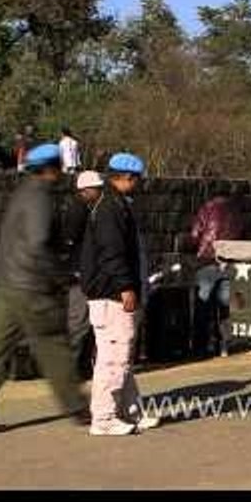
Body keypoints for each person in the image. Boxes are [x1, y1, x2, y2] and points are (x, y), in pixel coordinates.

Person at [0, 143, 89, 436]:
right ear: (51, 168)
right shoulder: (40, 197)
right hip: (31, 287)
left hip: (7, 284)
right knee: (53, 344)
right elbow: (38, 242)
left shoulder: (21, 193)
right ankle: (78, 407)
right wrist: (60, 275)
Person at [80, 152, 159, 435]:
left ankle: (129, 412)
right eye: (137, 179)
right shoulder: (112, 208)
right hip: (112, 294)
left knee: (120, 355)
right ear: (126, 177)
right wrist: (126, 286)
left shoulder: (112, 204)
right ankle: (103, 418)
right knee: (114, 357)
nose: (138, 184)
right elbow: (113, 253)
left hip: (111, 292)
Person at [190, 193, 245, 356]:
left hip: (207, 261)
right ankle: (225, 345)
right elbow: (243, 235)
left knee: (203, 305)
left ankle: (202, 346)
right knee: (225, 306)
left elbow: (195, 235)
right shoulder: (236, 211)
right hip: (229, 262)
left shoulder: (206, 208)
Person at [62, 170, 104, 379]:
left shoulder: (85, 208)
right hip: (79, 273)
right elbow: (70, 241)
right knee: (78, 321)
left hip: (82, 272)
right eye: (96, 188)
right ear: (85, 190)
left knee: (82, 322)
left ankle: (80, 366)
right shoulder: (78, 210)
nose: (99, 192)